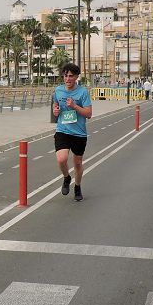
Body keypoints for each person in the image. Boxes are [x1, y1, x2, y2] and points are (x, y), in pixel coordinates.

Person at [52, 63, 93, 202]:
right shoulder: (58, 91)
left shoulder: (83, 92)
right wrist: (55, 111)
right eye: (65, 76)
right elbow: (55, 107)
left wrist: (74, 106)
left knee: (78, 163)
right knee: (61, 159)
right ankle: (66, 177)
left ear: (76, 77)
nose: (67, 79)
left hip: (79, 133)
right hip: (62, 130)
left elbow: (88, 114)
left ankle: (77, 186)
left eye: (70, 76)